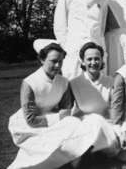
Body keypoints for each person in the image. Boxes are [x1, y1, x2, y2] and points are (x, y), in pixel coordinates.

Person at [8, 40, 110, 169]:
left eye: (60, 62)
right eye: (53, 61)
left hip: (56, 119)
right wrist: (57, 118)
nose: (57, 65)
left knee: (74, 124)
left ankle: (77, 157)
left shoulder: (63, 82)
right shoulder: (29, 83)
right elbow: (31, 119)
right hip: (31, 123)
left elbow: (66, 110)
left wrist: (60, 117)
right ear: (42, 60)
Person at [54, 0, 108, 80]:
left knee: (97, 87)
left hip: (95, 52)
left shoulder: (102, 0)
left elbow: (102, 29)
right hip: (74, 52)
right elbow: (60, 28)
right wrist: (67, 49)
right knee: (73, 85)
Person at [70, 42, 124, 161]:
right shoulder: (74, 83)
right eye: (89, 59)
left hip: (106, 128)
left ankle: (91, 152)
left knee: (96, 121)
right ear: (83, 61)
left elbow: (116, 110)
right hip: (83, 128)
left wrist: (119, 131)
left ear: (101, 61)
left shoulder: (111, 82)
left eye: (96, 59)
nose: (93, 63)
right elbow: (68, 110)